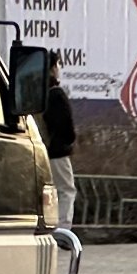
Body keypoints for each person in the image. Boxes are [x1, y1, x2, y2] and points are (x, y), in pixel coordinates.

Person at [40, 51, 77, 230]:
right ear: (53, 68)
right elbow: (66, 126)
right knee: (66, 190)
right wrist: (69, 142)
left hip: (39, 150)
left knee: (46, 191)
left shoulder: (36, 92)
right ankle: (62, 228)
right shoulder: (56, 94)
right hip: (57, 151)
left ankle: (45, 224)